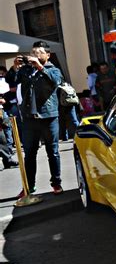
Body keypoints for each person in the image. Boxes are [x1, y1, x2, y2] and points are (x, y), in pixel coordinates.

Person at [17, 42, 63, 196]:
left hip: (49, 117)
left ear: (47, 55)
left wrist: (40, 68)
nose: (35, 55)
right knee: (29, 153)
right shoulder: (26, 70)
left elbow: (56, 82)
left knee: (53, 152)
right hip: (30, 118)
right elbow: (11, 82)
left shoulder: (53, 70)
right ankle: (29, 186)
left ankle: (56, 183)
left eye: (39, 52)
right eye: (33, 52)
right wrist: (14, 68)